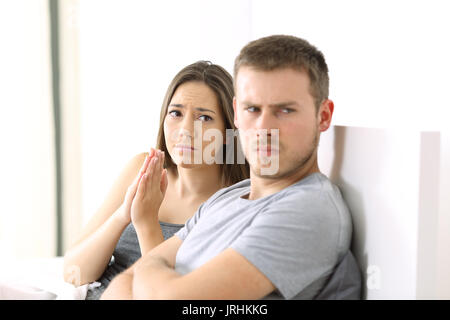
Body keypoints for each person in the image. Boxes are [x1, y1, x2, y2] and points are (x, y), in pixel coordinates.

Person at [101, 35, 360, 300]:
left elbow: (171, 297)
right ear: (236, 113)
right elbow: (125, 281)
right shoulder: (228, 197)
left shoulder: (308, 208)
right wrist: (151, 273)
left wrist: (152, 271)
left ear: (323, 116)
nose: (263, 128)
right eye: (252, 109)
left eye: (285, 110)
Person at [63, 61, 249, 300]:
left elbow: (174, 296)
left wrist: (146, 222)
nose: (185, 129)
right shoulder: (141, 168)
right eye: (176, 113)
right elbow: (74, 273)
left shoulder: (236, 202)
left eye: (204, 118)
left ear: (228, 131)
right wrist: (123, 215)